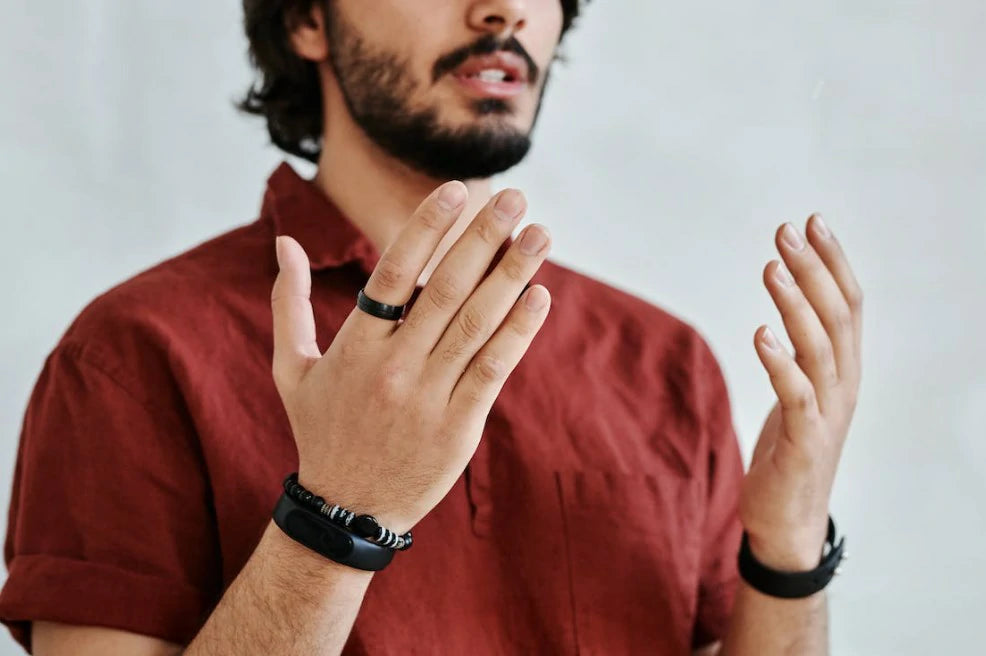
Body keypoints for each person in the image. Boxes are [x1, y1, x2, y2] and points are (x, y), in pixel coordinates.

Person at [0, 1, 864, 654]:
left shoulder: (664, 362)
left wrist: (787, 552)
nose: (502, 9)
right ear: (306, 19)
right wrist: (337, 515)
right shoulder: (131, 353)